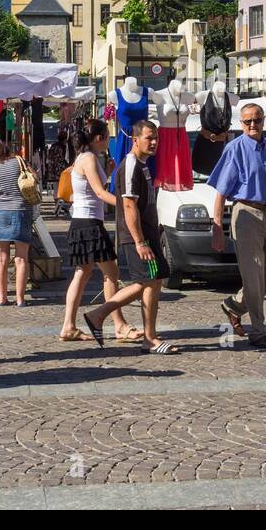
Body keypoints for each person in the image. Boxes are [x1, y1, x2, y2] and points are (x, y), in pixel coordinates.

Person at [82, 119, 179, 354]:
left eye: (156, 138)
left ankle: (146, 335)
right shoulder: (131, 165)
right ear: (135, 140)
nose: (154, 142)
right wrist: (139, 241)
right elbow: (128, 206)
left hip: (147, 235)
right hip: (137, 237)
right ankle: (105, 317)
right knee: (148, 281)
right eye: (149, 138)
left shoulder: (143, 164)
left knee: (153, 281)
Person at [208, 102, 266, 350]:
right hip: (245, 214)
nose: (252, 125)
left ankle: (235, 306)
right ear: (241, 123)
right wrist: (217, 227)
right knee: (253, 275)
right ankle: (258, 331)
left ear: (263, 121)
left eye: (256, 120)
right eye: (247, 122)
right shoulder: (234, 149)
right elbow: (221, 192)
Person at [60, 120, 141, 342]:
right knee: (111, 274)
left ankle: (69, 326)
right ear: (99, 138)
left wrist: (107, 172)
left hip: (85, 221)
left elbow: (93, 188)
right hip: (88, 224)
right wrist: (126, 204)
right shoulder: (87, 158)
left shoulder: (89, 158)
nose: (109, 140)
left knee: (84, 273)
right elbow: (98, 193)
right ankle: (119, 325)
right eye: (107, 135)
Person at [0, 139, 35, 306]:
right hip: (21, 210)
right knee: (21, 258)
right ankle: (20, 299)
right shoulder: (19, 161)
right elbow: (34, 179)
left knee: (1, 258)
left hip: (1, 213)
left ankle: (2, 297)